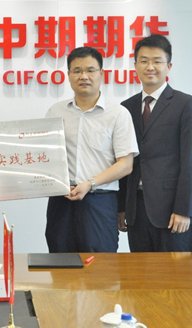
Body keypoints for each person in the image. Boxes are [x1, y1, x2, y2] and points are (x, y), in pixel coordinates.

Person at [45, 47, 138, 252]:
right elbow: (45, 156)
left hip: (100, 201)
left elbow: (126, 164)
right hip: (62, 201)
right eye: (77, 71)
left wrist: (90, 184)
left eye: (90, 70)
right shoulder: (55, 111)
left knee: (101, 265)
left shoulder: (118, 114)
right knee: (59, 261)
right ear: (68, 75)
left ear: (101, 73)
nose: (84, 76)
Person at [118, 35, 192, 252]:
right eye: (144, 61)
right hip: (136, 209)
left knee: (176, 272)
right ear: (135, 65)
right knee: (139, 272)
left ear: (169, 66)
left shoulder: (186, 104)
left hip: (172, 210)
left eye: (157, 61)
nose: (150, 67)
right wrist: (121, 207)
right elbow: (122, 159)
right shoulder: (125, 108)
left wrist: (184, 209)